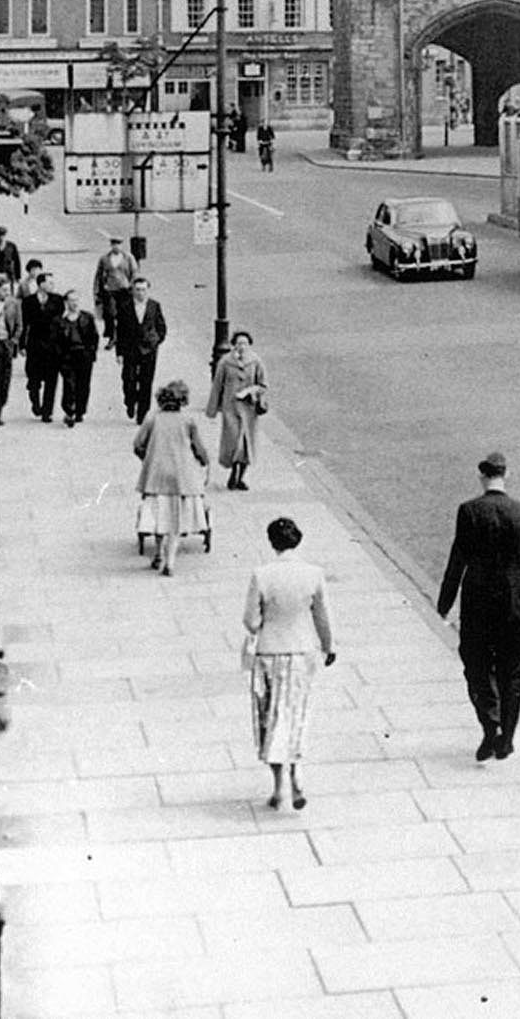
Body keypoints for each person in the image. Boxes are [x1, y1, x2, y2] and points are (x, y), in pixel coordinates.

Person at [436, 450, 520, 762]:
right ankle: (507, 738)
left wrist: (445, 602)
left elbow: (457, 559)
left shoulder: (469, 511)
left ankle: (491, 722)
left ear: (482, 477)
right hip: (515, 604)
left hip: (478, 603)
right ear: (506, 475)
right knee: (513, 671)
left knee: (477, 665)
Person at [242, 516, 336, 811]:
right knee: (295, 715)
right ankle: (297, 774)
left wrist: (261, 625)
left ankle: (278, 785)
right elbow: (323, 616)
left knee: (269, 718)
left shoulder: (261, 574)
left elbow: (251, 620)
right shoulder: (314, 574)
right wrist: (328, 646)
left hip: (270, 652)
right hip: (301, 652)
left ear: (272, 543)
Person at [132, 379, 211, 575]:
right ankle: (171, 563)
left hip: (156, 475)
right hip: (181, 477)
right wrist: (203, 461)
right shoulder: (188, 421)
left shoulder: (152, 419)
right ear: (183, 401)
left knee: (159, 517)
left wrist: (147, 458)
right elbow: (199, 449)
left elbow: (137, 444)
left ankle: (158, 553)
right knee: (175, 521)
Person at [205, 329, 268, 490]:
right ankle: (233, 473)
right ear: (234, 345)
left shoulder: (256, 361)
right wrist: (212, 408)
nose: (242, 346)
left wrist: (250, 391)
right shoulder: (226, 362)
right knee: (234, 442)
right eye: (239, 343)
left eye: (245, 343)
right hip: (230, 408)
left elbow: (263, 385)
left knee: (246, 444)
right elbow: (217, 385)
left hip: (249, 410)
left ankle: (239, 477)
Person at [113, 274, 166, 423]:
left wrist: (155, 341)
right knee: (128, 379)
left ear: (147, 290)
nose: (140, 293)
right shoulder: (125, 307)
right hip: (130, 349)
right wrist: (119, 353)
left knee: (146, 381)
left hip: (149, 349)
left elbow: (161, 326)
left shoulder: (154, 306)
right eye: (137, 289)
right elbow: (120, 331)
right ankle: (130, 402)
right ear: (132, 291)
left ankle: (142, 412)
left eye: (143, 290)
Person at [21, 272, 64, 421]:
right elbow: (24, 324)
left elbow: (62, 323)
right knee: (34, 378)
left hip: (52, 344)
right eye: (50, 283)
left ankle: (47, 411)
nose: (53, 285)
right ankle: (35, 401)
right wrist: (21, 345)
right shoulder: (28, 302)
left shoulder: (58, 300)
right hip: (35, 344)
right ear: (41, 284)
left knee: (51, 378)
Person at [56, 288, 100, 426]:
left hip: (84, 355)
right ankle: (69, 410)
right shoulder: (59, 321)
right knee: (69, 383)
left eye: (76, 300)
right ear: (66, 302)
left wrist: (91, 353)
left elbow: (94, 337)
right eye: (71, 300)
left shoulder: (87, 318)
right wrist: (59, 357)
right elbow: (55, 340)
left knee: (83, 384)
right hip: (67, 356)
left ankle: (80, 410)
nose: (74, 303)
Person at [0, 275, 23, 425]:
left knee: (4, 379)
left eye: (8, 290)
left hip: (5, 344)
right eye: (3, 290)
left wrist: (13, 341)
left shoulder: (13, 304)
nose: (7, 293)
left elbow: (19, 325)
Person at [92, 236, 138, 346]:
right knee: (110, 313)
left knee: (123, 314)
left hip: (124, 290)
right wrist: (97, 291)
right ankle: (112, 336)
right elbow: (98, 276)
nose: (116, 246)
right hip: (110, 290)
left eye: (118, 244)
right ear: (111, 245)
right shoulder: (105, 259)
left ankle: (121, 337)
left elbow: (134, 273)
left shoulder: (128, 258)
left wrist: (132, 287)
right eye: (114, 244)